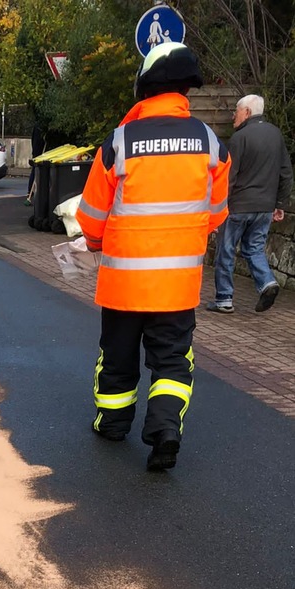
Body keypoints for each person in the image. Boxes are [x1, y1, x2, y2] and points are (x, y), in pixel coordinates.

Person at [76, 42, 230, 471]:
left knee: (118, 356)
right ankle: (164, 431)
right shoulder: (210, 142)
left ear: (144, 87)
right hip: (178, 286)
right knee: (172, 361)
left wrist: (92, 243)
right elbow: (216, 212)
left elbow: (91, 214)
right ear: (185, 88)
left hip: (124, 283)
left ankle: (112, 423)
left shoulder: (120, 141)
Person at [207, 94, 293, 314]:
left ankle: (224, 299)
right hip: (265, 207)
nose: (233, 115)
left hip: (238, 206)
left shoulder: (239, 138)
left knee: (225, 251)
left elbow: (229, 177)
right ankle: (267, 282)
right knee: (254, 248)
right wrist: (280, 203)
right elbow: (285, 172)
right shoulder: (276, 135)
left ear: (246, 112)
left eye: (236, 110)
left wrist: (218, 208)